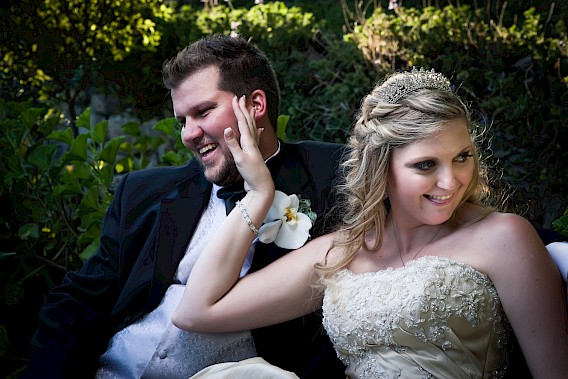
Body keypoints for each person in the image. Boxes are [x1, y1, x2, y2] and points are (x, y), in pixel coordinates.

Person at [173, 68, 568, 378]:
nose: (451, 182)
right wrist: (259, 195)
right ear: (381, 168)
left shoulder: (503, 237)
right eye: (426, 165)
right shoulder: (342, 250)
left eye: (462, 157)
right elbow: (196, 311)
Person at [22, 35, 346, 378]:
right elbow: (76, 303)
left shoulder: (331, 175)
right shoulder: (142, 192)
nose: (189, 134)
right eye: (182, 121)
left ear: (255, 105)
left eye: (203, 112)